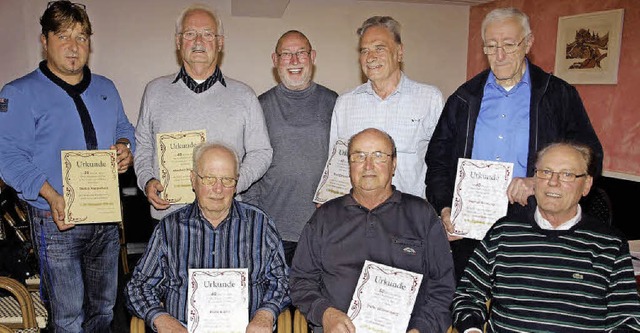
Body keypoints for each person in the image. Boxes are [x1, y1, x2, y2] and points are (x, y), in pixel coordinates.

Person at [425, 7, 603, 280]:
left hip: (533, 225)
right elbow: (437, 160)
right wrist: (445, 207)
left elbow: (591, 157)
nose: (499, 55)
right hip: (470, 230)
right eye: (491, 46)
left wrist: (538, 181)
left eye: (509, 45)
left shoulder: (557, 96)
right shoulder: (463, 99)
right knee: (467, 306)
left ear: (528, 43)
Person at [0, 1, 135, 331]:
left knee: (104, 309)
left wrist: (124, 148)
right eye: (63, 36)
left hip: (104, 214)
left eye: (82, 37)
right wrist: (50, 195)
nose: (74, 47)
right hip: (53, 217)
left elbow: (124, 129)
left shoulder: (106, 87)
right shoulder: (18, 93)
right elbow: (7, 157)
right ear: (44, 41)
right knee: (68, 316)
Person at [452, 142, 640, 332]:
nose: (553, 182)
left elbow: (627, 321)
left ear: (586, 184)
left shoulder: (609, 244)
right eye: (545, 172)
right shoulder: (504, 232)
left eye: (567, 174)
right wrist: (472, 329)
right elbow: (467, 295)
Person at [290, 128, 454, 333]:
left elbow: (443, 285)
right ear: (349, 164)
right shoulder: (324, 218)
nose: (368, 165)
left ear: (394, 164)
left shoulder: (422, 215)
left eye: (379, 156)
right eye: (358, 156)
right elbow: (300, 280)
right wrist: (325, 314)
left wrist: (421, 328)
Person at [125, 143, 290, 333]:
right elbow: (138, 287)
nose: (218, 189)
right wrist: (160, 318)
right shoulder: (169, 229)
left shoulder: (260, 225)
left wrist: (265, 314)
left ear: (236, 183)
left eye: (227, 180)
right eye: (209, 179)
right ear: (193, 179)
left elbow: (283, 280)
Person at [134, 4, 272, 221]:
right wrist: (147, 180)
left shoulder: (245, 95)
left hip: (227, 218)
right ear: (178, 41)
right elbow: (143, 146)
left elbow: (261, 152)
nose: (198, 42)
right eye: (190, 34)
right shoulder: (154, 91)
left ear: (220, 43)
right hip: (170, 218)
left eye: (208, 34)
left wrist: (233, 184)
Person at [243, 30, 337, 265]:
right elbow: (249, 164)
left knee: (318, 301)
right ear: (275, 61)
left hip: (323, 230)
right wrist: (256, 220)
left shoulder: (335, 103)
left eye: (301, 53)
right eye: (286, 54)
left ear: (312, 56)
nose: (294, 61)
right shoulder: (259, 106)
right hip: (274, 230)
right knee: (274, 301)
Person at [327, 16, 443, 199]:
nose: (371, 57)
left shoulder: (429, 99)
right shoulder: (345, 103)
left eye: (379, 48)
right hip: (357, 217)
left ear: (399, 52)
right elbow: (337, 166)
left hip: (410, 218)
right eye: (364, 50)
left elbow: (441, 163)